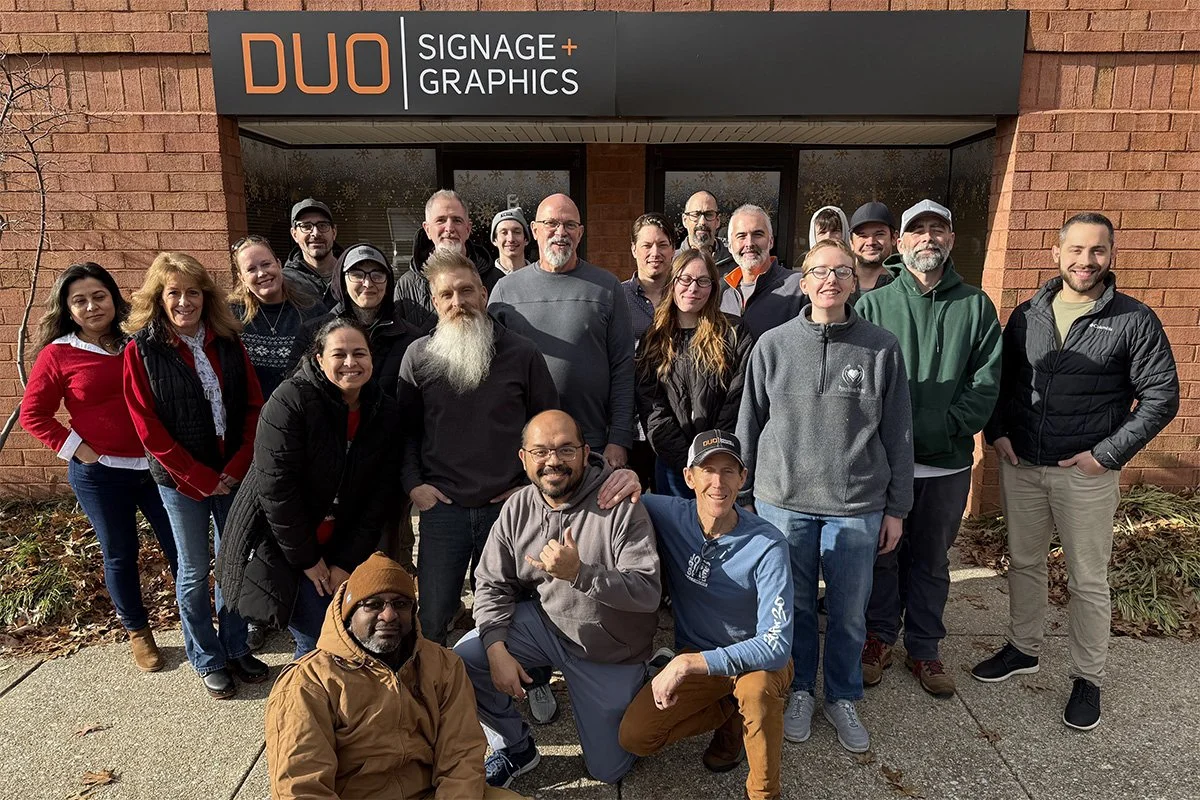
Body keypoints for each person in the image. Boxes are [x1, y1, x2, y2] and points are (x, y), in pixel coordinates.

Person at [973, 212, 1179, 731]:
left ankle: (1088, 677)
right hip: (1024, 465)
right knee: (1024, 563)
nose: (1086, 261)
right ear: (1057, 252)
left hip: (1085, 473)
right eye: (1077, 250)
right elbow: (1002, 381)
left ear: (1111, 256)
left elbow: (1161, 397)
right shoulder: (1029, 313)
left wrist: (1107, 454)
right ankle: (1024, 648)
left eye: (1097, 251)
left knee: (1088, 581)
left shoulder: (1133, 319)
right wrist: (997, 432)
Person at [738, 239, 914, 754]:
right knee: (790, 607)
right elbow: (749, 423)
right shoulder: (771, 345)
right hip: (782, 501)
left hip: (856, 505)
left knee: (849, 610)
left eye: (841, 271)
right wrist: (745, 496)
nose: (830, 280)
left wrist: (897, 508)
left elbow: (898, 433)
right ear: (804, 281)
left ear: (854, 281)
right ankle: (798, 690)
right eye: (819, 271)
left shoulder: (881, 347)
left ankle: (841, 695)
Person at [454, 410, 660, 789]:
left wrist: (580, 574)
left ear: (585, 453)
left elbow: (647, 592)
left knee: (608, 770)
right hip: (547, 626)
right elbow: (490, 583)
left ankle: (643, 679)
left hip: (608, 649)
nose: (553, 461)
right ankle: (516, 747)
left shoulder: (618, 503)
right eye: (541, 451)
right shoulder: (518, 506)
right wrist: (497, 649)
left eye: (566, 450)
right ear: (524, 458)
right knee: (464, 661)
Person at [855, 199, 1002, 698]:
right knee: (883, 556)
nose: (927, 239)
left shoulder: (976, 306)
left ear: (951, 240)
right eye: (916, 230)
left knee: (932, 560)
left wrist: (942, 430)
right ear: (901, 242)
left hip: (946, 465)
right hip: (883, 465)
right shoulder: (872, 304)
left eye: (937, 229)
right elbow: (859, 389)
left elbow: (985, 386)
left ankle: (924, 647)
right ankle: (877, 639)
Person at [122, 251, 268, 699]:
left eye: (193, 293)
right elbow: (148, 428)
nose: (184, 301)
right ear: (158, 299)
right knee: (193, 571)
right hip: (182, 482)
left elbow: (253, 406)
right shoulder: (140, 351)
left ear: (206, 297)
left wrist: (236, 466)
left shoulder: (227, 340)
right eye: (174, 293)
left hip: (232, 473)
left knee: (233, 565)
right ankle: (207, 657)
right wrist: (203, 478)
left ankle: (236, 645)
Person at [264, 552, 528, 800]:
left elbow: (462, 756)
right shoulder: (308, 683)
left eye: (400, 604)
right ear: (348, 614)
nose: (389, 615)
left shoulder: (443, 665)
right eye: (373, 604)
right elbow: (301, 787)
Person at [20, 262, 179, 673]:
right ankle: (138, 631)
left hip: (156, 467)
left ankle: (195, 620)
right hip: (101, 474)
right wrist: (79, 450)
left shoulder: (138, 338)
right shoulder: (59, 354)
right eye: (80, 301)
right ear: (68, 309)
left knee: (181, 548)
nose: (92, 307)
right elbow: (33, 415)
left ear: (113, 297)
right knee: (120, 552)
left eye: (99, 296)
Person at [619, 431, 794, 800]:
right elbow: (620, 493)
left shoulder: (768, 544)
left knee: (757, 689)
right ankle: (729, 712)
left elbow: (776, 645)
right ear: (689, 477)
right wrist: (627, 476)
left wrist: (685, 665)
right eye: (708, 470)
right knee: (635, 736)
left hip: (757, 661)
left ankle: (765, 793)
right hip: (700, 657)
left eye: (729, 471)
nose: (718, 482)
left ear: (743, 478)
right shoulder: (669, 514)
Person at [217, 318, 403, 659]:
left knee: (350, 629)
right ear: (318, 358)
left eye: (359, 353)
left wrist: (345, 561)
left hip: (343, 541)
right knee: (316, 638)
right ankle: (307, 705)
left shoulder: (384, 410)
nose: (351, 362)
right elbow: (277, 490)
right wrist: (309, 560)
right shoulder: (291, 401)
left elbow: (380, 496)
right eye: (339, 354)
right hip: (287, 542)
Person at [398, 250, 558, 646]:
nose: (458, 302)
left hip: (508, 509)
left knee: (516, 605)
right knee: (434, 614)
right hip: (442, 512)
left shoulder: (522, 353)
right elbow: (404, 433)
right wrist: (414, 485)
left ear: (483, 293)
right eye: (447, 295)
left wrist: (529, 485)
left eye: (466, 291)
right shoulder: (418, 357)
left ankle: (528, 682)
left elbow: (549, 428)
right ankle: (432, 687)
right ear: (434, 303)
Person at [290, 243, 421, 568]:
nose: (368, 282)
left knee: (389, 564)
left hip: (385, 473)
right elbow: (299, 398)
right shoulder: (314, 333)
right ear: (341, 280)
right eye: (357, 273)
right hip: (328, 473)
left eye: (377, 273)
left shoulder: (413, 339)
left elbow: (418, 413)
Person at [489, 193, 637, 469]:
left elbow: (623, 366)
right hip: (528, 448)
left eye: (570, 225)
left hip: (594, 444)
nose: (561, 232)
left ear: (580, 233)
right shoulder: (506, 291)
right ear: (534, 230)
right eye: (551, 223)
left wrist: (619, 438)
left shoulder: (607, 287)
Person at [636, 249, 751, 498]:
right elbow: (652, 408)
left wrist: (713, 454)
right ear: (672, 283)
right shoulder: (654, 338)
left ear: (713, 287)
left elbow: (737, 401)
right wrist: (686, 461)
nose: (693, 288)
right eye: (685, 279)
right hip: (672, 465)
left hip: (721, 465)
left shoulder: (733, 333)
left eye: (703, 281)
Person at [395, 190, 505, 332]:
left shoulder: (498, 281)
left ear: (468, 228)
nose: (449, 228)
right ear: (427, 229)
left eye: (457, 220)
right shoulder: (406, 286)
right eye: (441, 220)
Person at [229, 235, 322, 398]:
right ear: (242, 278)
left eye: (266, 264)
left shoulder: (312, 310)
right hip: (251, 415)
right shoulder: (230, 315)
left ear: (279, 265)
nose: (261, 273)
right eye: (251, 269)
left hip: (302, 410)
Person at [719, 204, 805, 339]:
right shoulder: (722, 292)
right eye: (741, 236)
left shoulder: (798, 287)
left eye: (757, 234)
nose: (749, 243)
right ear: (730, 246)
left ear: (771, 241)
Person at [623, 213, 677, 341]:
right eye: (647, 246)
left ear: (673, 249)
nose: (655, 253)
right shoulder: (617, 298)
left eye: (662, 245)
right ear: (634, 249)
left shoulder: (685, 295)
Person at [283, 198, 340, 310]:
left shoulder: (353, 273)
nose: (316, 233)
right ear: (294, 234)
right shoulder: (286, 282)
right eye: (306, 226)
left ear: (334, 232)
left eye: (322, 225)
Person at [680, 191, 736, 274]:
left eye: (709, 214)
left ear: (717, 221)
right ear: (684, 220)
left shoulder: (735, 262)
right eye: (696, 214)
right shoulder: (671, 263)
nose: (702, 221)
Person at [848, 202, 898, 293]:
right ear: (851, 242)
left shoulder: (904, 284)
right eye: (862, 236)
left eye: (879, 234)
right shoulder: (838, 283)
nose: (870, 242)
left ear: (894, 238)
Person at [492, 207, 534, 275]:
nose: (511, 239)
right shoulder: (481, 280)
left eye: (517, 232)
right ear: (494, 240)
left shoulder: (540, 277)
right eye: (504, 233)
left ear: (526, 239)